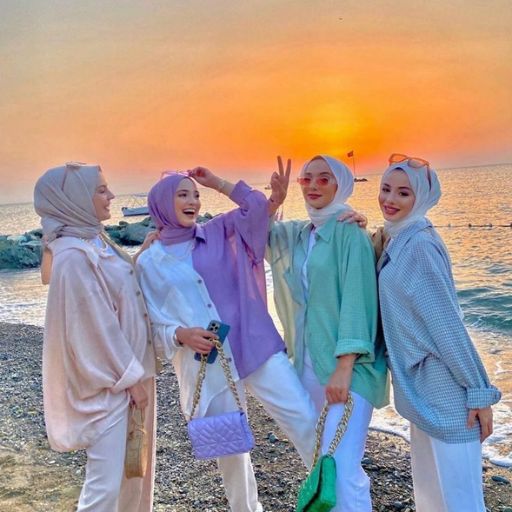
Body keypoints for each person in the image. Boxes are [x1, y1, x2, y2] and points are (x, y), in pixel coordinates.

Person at [136, 167, 318, 512]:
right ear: (161, 203)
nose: (193, 201)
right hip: (209, 365)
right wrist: (180, 334)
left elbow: (255, 205)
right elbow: (149, 326)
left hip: (254, 346)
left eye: (195, 195)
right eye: (183, 194)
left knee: (304, 420)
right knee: (233, 458)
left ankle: (335, 500)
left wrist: (218, 183)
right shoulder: (149, 262)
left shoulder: (218, 231)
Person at [372, 154, 501, 511]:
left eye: (403, 193)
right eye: (385, 189)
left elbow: (446, 325)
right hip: (420, 394)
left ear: (423, 199)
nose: (390, 200)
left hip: (448, 397)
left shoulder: (420, 246)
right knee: (430, 498)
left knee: (462, 503)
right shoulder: (399, 240)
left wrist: (478, 392)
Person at [266, 155, 389, 512]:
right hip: (308, 362)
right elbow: (255, 237)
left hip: (349, 368)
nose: (313, 186)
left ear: (341, 185)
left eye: (324, 179)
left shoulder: (350, 232)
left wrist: (345, 365)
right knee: (324, 466)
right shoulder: (303, 234)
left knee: (341, 466)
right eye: (307, 180)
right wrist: (274, 199)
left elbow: (358, 299)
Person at [34, 162, 157, 512]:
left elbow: (114, 295)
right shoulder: (73, 255)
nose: (111, 195)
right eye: (101, 190)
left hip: (128, 374)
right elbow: (92, 327)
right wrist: (131, 379)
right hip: (111, 384)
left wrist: (139, 257)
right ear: (74, 199)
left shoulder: (94, 240)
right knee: (104, 487)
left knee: (132, 476)